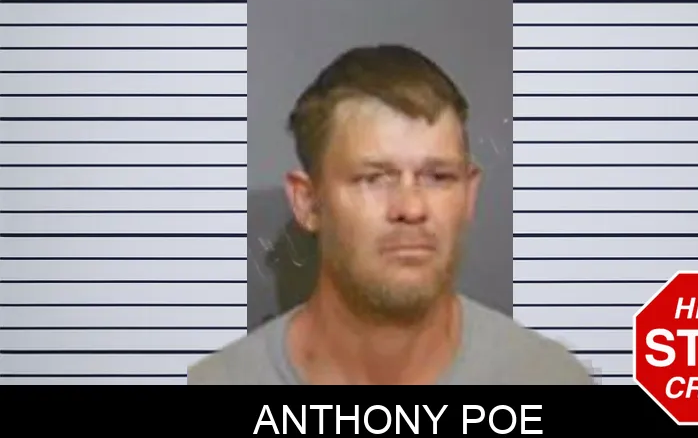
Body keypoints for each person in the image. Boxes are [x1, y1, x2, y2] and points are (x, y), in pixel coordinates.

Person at [187, 44, 593, 385]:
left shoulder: (548, 379)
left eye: (438, 177)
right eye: (374, 179)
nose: (411, 208)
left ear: (469, 194)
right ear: (308, 202)